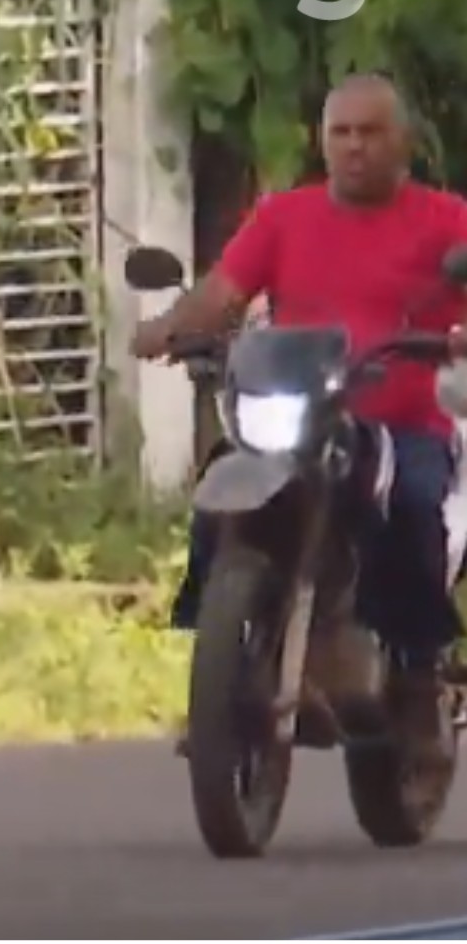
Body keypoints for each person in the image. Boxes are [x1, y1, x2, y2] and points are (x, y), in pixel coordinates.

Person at [133, 74, 467, 759]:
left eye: (370, 132)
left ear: (402, 142)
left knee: (410, 503)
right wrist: (169, 326)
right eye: (341, 132)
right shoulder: (284, 217)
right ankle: (221, 670)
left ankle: (417, 675)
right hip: (301, 414)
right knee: (223, 483)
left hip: (403, 421)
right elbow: (224, 294)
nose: (354, 147)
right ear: (323, 140)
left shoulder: (448, 222)